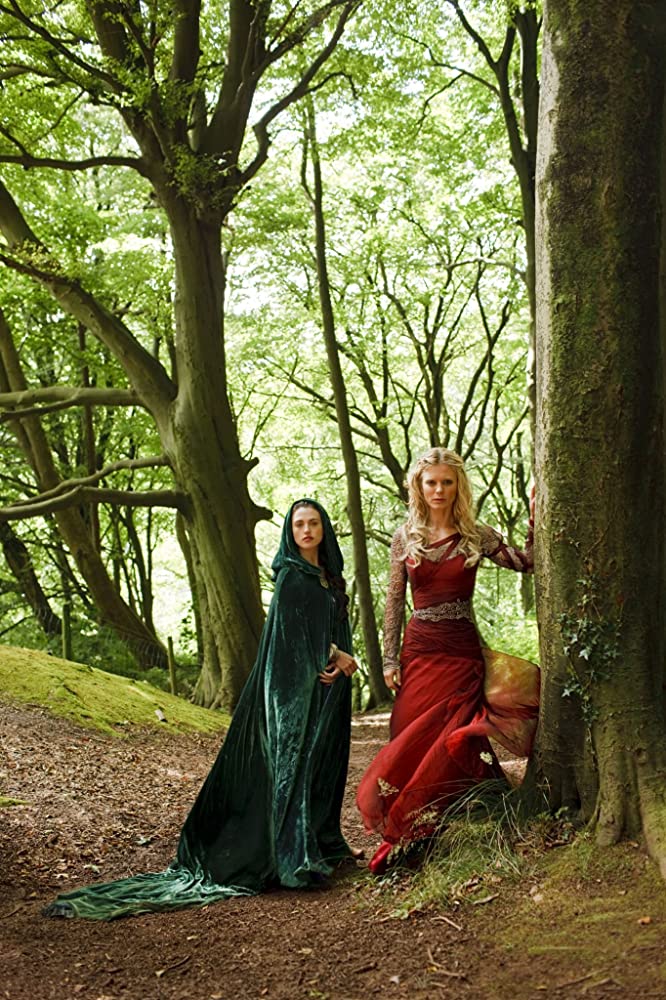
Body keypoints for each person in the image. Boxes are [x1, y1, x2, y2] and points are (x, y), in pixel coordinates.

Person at [44, 499, 359, 920]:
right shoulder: (290, 577)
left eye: (313, 523)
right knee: (292, 768)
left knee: (320, 766)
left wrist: (339, 659)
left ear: (323, 529)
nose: (306, 530)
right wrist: (335, 654)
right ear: (290, 531)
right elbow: (290, 639)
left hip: (324, 692)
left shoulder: (328, 578)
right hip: (292, 696)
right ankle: (291, 856)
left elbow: (329, 627)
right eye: (299, 524)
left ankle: (319, 843)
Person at [356, 448, 539, 875]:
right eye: (431, 482)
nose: (438, 489)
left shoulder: (476, 534)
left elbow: (526, 563)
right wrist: (388, 660)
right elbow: (393, 602)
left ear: (458, 486)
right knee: (408, 734)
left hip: (460, 652)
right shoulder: (405, 537)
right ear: (418, 486)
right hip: (419, 650)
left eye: (447, 482)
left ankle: (451, 823)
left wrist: (534, 519)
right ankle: (409, 830)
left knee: (453, 738)